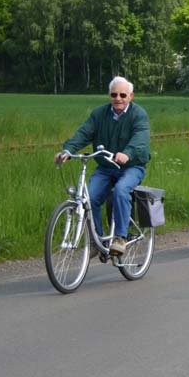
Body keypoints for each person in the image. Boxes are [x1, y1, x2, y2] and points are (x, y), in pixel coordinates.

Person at [56, 76, 150, 255]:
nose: (118, 98)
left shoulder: (138, 114)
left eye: (123, 94)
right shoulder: (99, 114)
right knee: (89, 199)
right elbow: (83, 133)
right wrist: (67, 151)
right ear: (109, 95)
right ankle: (96, 239)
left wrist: (127, 153)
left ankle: (120, 237)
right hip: (106, 167)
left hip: (132, 167)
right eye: (114, 94)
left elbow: (141, 138)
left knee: (122, 190)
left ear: (131, 96)